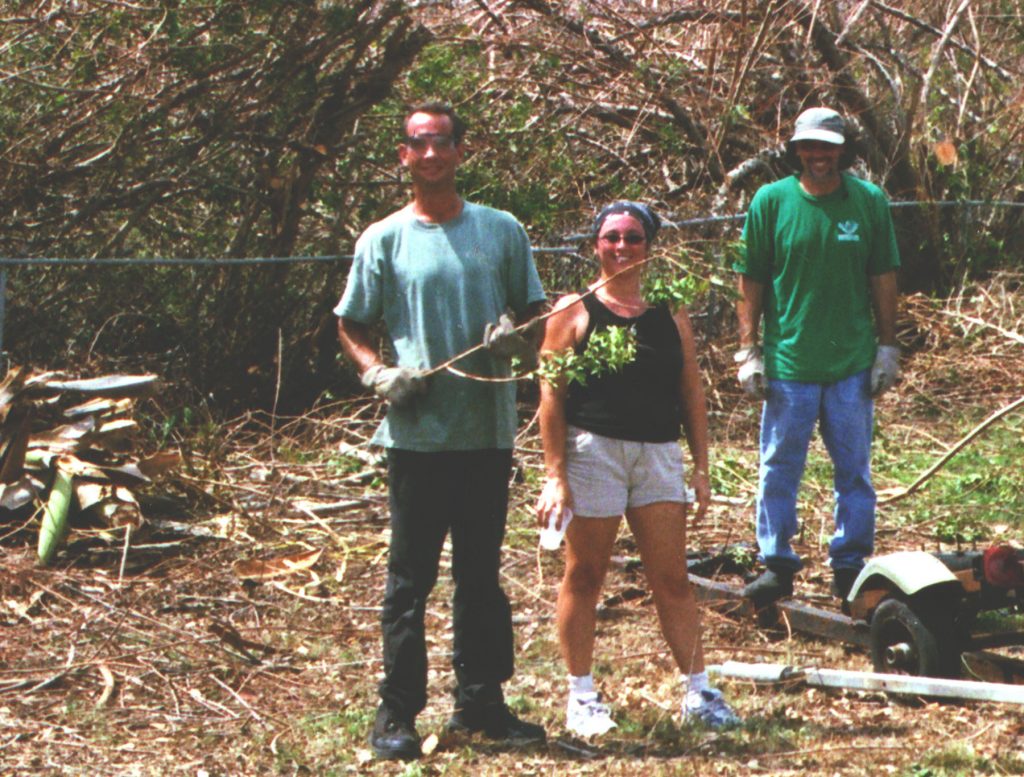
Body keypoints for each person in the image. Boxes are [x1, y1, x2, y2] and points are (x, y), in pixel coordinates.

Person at [335, 101, 547, 761]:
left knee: (480, 577)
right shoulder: (384, 238)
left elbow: (537, 312)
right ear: (403, 156)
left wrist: (520, 338)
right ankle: (396, 713)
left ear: (461, 151)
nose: (430, 154)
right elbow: (351, 322)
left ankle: (482, 702)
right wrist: (378, 372)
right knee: (408, 581)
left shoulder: (500, 230)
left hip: (485, 437)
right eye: (417, 144)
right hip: (417, 441)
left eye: (442, 143)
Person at [536, 201, 739, 737]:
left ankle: (698, 691)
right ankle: (581, 696)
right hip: (594, 453)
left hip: (656, 455)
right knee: (585, 574)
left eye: (633, 238)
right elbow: (550, 399)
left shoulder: (669, 313)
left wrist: (700, 466)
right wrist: (555, 475)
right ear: (596, 244)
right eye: (611, 237)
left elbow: (690, 389)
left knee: (672, 578)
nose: (621, 247)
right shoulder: (573, 311)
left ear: (650, 246)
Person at [733, 107, 901, 608]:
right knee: (779, 467)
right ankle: (776, 563)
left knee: (854, 471)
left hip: (850, 364)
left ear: (841, 149)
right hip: (789, 365)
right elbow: (751, 277)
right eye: (809, 147)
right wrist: (748, 350)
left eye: (827, 147)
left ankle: (849, 566)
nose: (818, 156)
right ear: (797, 149)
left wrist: (887, 346)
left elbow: (883, 275)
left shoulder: (867, 201)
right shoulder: (771, 201)